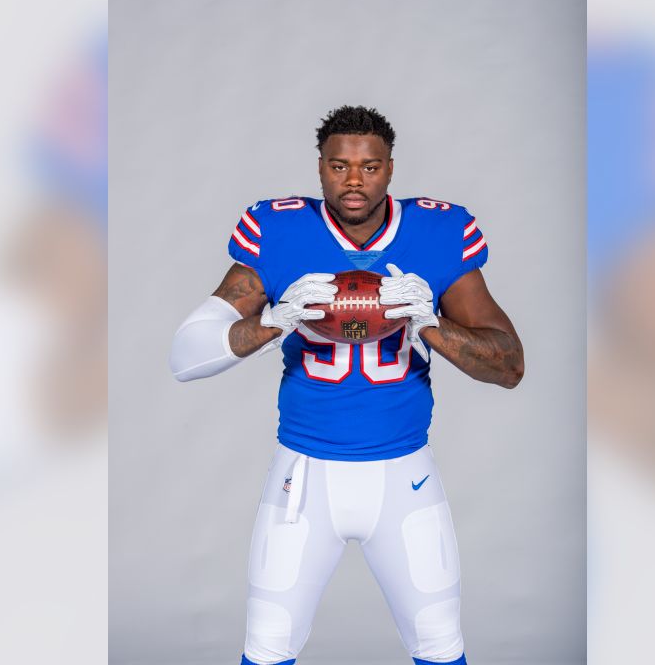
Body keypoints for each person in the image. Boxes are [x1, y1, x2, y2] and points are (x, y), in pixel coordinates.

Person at [169, 106, 524, 665]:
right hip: (303, 481)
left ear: (390, 168)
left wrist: (430, 321)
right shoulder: (279, 230)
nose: (354, 180)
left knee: (440, 646)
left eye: (369, 166)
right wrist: (273, 320)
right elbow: (186, 355)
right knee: (266, 648)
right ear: (319, 168)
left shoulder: (439, 231)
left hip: (404, 475)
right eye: (339, 166)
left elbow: (509, 366)